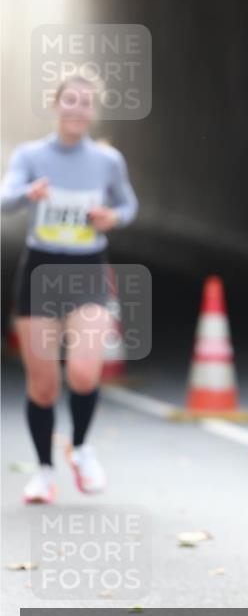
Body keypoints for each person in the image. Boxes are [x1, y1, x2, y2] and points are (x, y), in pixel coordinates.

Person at [1, 74, 138, 503]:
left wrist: (111, 218)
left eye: (85, 102)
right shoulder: (31, 155)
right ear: (56, 105)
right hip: (41, 269)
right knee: (43, 385)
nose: (77, 109)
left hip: (88, 270)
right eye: (70, 100)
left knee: (82, 371)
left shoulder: (107, 160)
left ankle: (79, 448)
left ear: (93, 111)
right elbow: (4, 198)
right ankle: (43, 471)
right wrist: (28, 192)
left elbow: (128, 204)